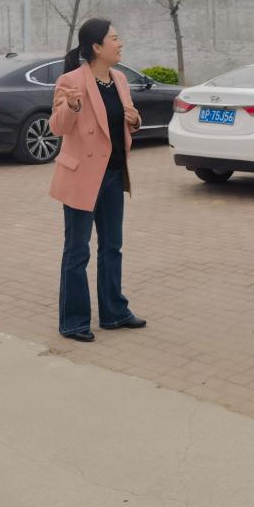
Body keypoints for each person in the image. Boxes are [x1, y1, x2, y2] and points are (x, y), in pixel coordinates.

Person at [50, 18, 146, 342]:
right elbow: (57, 127)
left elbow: (125, 119)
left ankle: (114, 312)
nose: (120, 43)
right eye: (114, 38)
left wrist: (135, 121)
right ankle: (74, 321)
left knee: (112, 247)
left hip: (114, 174)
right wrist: (72, 107)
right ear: (96, 46)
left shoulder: (119, 79)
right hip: (82, 176)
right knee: (77, 251)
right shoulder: (70, 80)